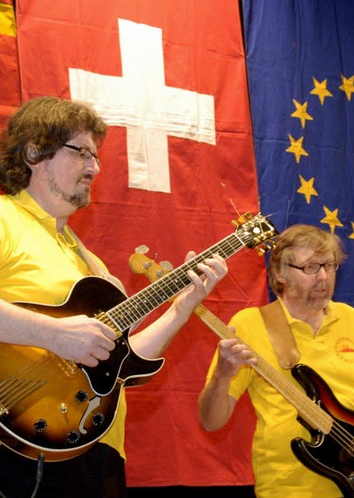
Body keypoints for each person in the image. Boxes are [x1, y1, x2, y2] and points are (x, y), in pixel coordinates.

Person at [0, 96, 228, 497]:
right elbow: (63, 338)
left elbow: (119, 364)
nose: (94, 167)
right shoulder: (5, 218)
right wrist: (52, 334)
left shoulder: (90, 263)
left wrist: (182, 307)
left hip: (97, 448)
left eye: (97, 157)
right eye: (82, 152)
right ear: (35, 152)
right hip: (18, 450)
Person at [198, 223, 354, 497]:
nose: (323, 277)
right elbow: (211, 421)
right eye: (310, 268)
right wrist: (222, 375)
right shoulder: (249, 324)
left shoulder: (349, 318)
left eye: (329, 266)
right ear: (280, 273)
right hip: (289, 488)